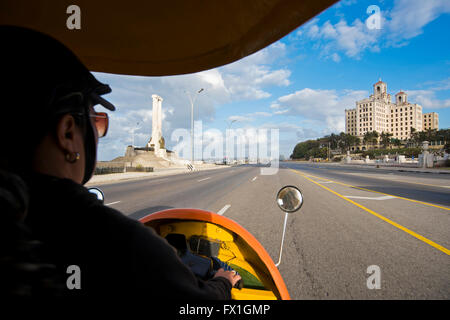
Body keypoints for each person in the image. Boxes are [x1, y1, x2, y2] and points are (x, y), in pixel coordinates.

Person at [0, 26, 240, 298]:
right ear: (68, 132)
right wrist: (222, 282)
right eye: (97, 121)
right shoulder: (121, 243)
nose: (99, 133)